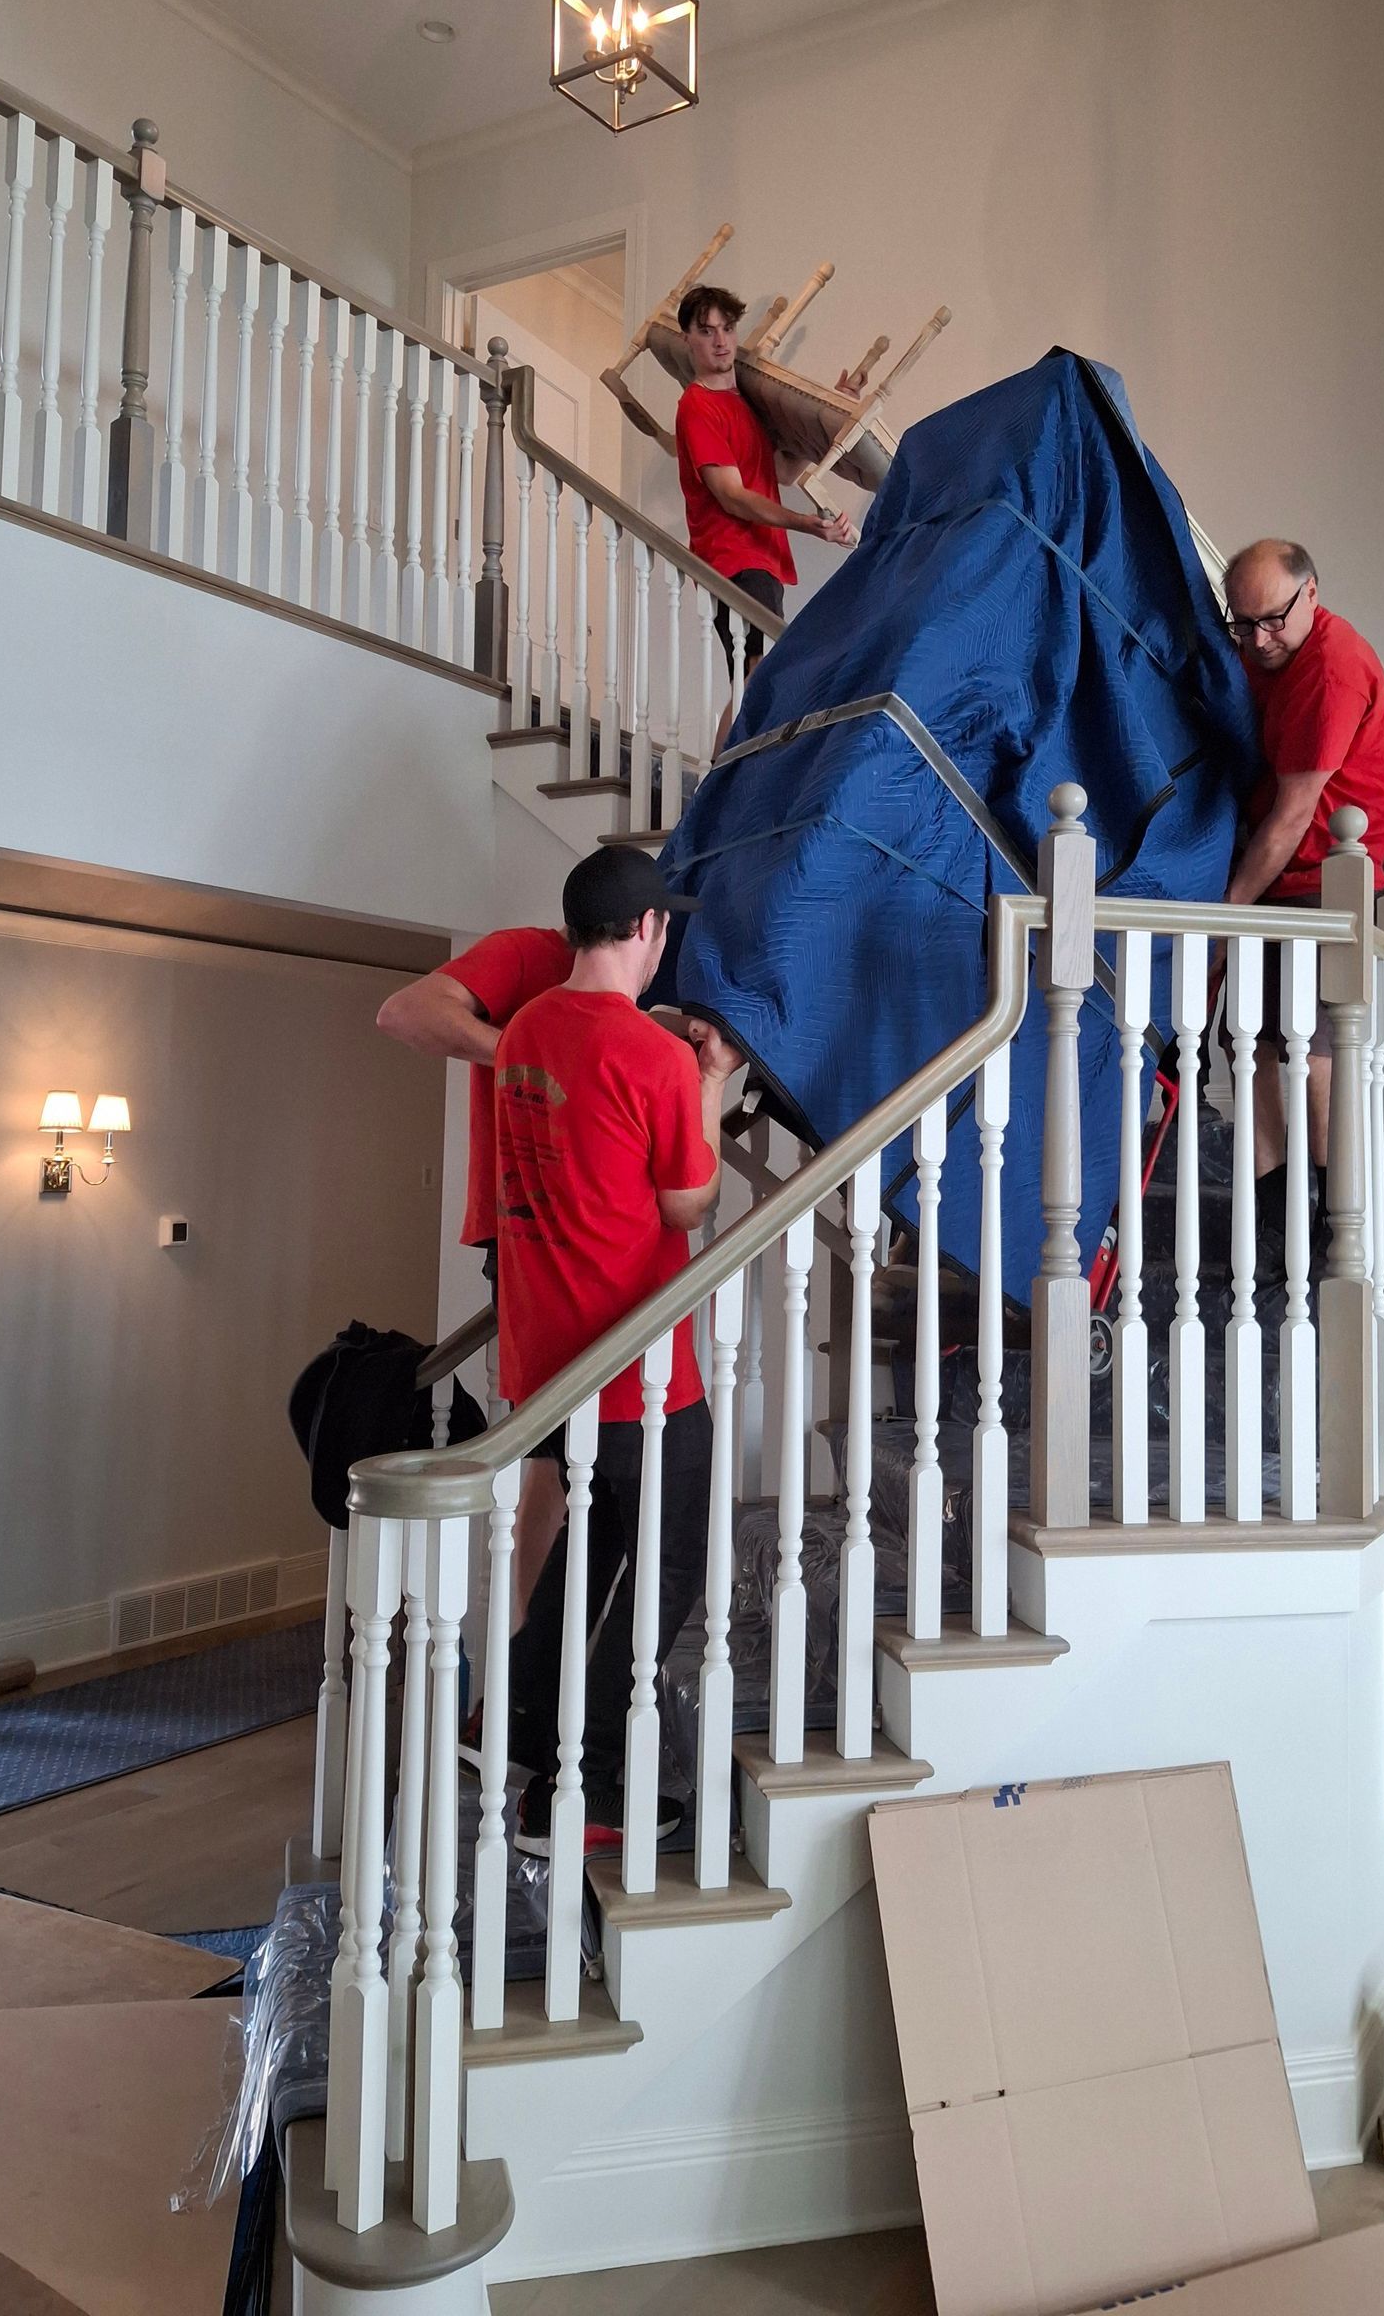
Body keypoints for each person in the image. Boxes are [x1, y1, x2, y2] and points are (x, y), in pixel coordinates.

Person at [499, 846, 743, 1853]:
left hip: (549, 1365)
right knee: (672, 1558)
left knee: (585, 1554)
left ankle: (522, 1731)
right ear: (645, 931)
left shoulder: (523, 1032)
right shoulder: (653, 1058)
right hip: (638, 1370)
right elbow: (691, 1201)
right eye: (663, 931)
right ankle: (585, 1783)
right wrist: (710, 1083)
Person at [1221, 539, 1384, 1263]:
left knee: (1308, 1051)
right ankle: (1279, 1220)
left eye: (1272, 620)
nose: (1258, 641)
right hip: (1291, 873)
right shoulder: (1258, 650)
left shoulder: (1332, 670)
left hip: (1347, 875)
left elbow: (1291, 815)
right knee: (1247, 1044)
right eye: (1242, 625)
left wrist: (1228, 915)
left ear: (1312, 593)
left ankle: (1337, 1229)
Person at [376, 918, 574, 1630]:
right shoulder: (531, 952)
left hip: (599, 1244)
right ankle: (514, 1655)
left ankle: (532, 1661)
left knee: (577, 1464)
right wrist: (522, 1053)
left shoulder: (645, 987)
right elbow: (405, 1011)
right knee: (547, 1456)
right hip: (529, 1238)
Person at [673, 282, 856, 745]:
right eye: (707, 330)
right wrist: (806, 524)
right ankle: (718, 788)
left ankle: (718, 788)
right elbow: (732, 496)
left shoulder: (743, 406)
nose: (720, 341)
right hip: (732, 562)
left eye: (728, 329)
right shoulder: (697, 406)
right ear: (688, 340)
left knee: (756, 681)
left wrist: (829, 414)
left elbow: (782, 471)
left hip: (763, 561)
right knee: (760, 679)